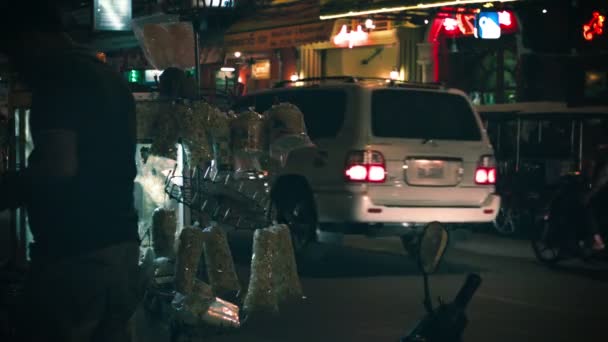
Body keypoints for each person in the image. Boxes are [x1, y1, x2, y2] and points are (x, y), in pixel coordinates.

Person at [0, 2, 144, 341]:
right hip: (120, 251)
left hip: (75, 260)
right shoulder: (108, 76)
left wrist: (7, 189)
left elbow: (58, 166)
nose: (15, 65)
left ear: (32, 39)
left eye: (12, 51)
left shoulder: (59, 78)